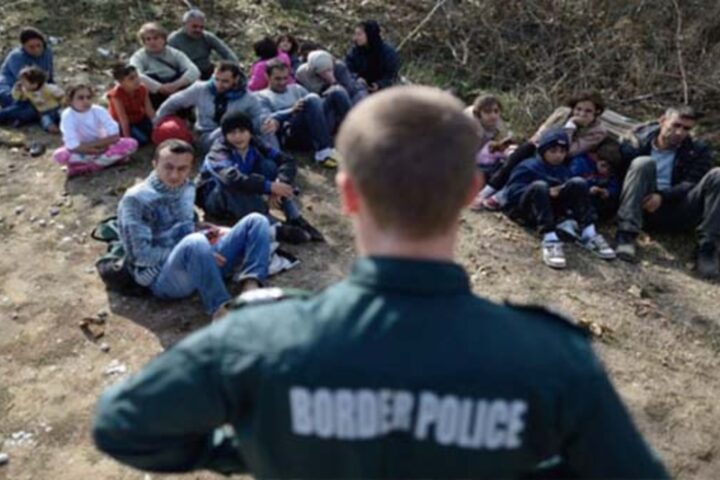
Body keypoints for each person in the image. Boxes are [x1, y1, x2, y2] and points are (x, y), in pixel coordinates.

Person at [92, 86, 669, 479]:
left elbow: (122, 427)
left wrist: (252, 449)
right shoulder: (551, 359)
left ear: (348, 195)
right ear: (469, 194)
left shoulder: (259, 340)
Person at [115, 139, 271, 318]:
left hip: (199, 257)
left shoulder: (188, 187)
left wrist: (200, 228)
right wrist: (201, 252)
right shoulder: (136, 200)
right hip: (163, 276)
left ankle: (251, 286)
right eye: (168, 167)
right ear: (154, 164)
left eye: (182, 169)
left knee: (256, 221)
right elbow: (140, 256)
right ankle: (220, 309)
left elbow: (184, 223)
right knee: (195, 242)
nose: (175, 175)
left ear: (190, 169)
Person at [615, 106, 720, 277]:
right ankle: (626, 234)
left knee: (718, 175)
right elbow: (620, 172)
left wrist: (663, 196)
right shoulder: (637, 141)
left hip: (678, 207)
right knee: (643, 163)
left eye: (686, 129)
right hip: (641, 204)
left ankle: (707, 248)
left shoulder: (697, 150)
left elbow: (691, 182)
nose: (680, 132)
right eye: (676, 125)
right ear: (662, 121)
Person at [197, 112, 324, 243]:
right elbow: (230, 178)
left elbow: (286, 160)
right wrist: (269, 186)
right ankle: (273, 227)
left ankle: (294, 217)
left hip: (246, 187)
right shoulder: (218, 151)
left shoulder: (255, 143)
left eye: (242, 131)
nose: (238, 137)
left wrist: (280, 183)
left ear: (250, 132)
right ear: (225, 135)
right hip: (216, 198)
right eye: (232, 133)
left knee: (269, 166)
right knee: (231, 186)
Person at [504, 128, 615, 268]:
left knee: (578, 182)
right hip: (528, 211)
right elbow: (512, 193)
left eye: (562, 152)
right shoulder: (528, 166)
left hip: (553, 213)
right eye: (553, 151)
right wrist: (547, 191)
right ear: (543, 150)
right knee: (540, 186)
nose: (558, 156)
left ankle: (589, 233)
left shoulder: (563, 170)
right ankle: (550, 239)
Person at [478, 91, 608, 210]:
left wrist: (571, 126)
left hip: (564, 161)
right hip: (543, 149)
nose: (581, 114)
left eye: (588, 111)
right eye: (578, 109)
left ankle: (502, 196)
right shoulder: (562, 113)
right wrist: (536, 143)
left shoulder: (598, 131)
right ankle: (489, 189)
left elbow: (570, 151)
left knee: (530, 164)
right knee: (525, 150)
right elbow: (542, 131)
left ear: (596, 112)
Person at [154, 60, 274, 152]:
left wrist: (267, 122)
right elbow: (173, 102)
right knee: (229, 126)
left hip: (238, 133)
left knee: (266, 128)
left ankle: (275, 156)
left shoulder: (248, 96)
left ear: (236, 79)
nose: (219, 84)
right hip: (207, 136)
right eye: (216, 79)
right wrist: (156, 122)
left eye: (225, 81)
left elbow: (259, 115)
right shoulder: (200, 88)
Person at [256, 59, 348, 168]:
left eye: (285, 78)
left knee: (337, 91)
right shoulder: (261, 96)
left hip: (315, 127)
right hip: (292, 134)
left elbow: (315, 106)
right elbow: (267, 120)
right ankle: (323, 153)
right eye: (278, 79)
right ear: (267, 76)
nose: (282, 82)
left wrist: (326, 98)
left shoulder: (296, 88)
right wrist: (291, 110)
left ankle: (356, 135)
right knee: (311, 98)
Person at [52, 84, 138, 177]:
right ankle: (107, 161)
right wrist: (90, 150)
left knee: (131, 143)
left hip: (105, 147)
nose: (86, 101)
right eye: (80, 98)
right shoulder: (67, 115)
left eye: (88, 97)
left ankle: (90, 167)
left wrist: (97, 146)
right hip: (82, 151)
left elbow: (115, 136)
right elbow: (71, 144)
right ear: (70, 100)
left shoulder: (98, 110)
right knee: (59, 155)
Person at [130, 22, 200, 108]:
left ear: (163, 39)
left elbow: (194, 70)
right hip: (154, 93)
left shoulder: (174, 53)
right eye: (148, 39)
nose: (152, 42)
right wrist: (159, 88)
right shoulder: (139, 56)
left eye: (155, 38)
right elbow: (136, 74)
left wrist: (176, 85)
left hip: (176, 88)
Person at [0, 27, 55, 125]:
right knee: (35, 107)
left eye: (39, 45)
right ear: (23, 47)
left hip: (36, 90)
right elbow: (27, 83)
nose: (37, 50)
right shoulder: (17, 57)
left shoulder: (47, 53)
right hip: (13, 90)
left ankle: (18, 118)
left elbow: (49, 78)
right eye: (31, 47)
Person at [168, 9, 239, 80]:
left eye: (201, 27)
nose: (198, 30)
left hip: (206, 71)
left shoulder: (207, 37)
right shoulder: (174, 40)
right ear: (184, 24)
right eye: (194, 26)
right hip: (184, 75)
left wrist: (235, 67)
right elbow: (168, 63)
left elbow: (226, 53)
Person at [0, 66, 63, 132]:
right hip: (43, 113)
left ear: (34, 84)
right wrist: (17, 90)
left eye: (24, 82)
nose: (22, 84)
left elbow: (61, 95)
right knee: (47, 122)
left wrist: (63, 102)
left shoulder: (48, 88)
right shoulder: (27, 91)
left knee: (62, 115)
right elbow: (18, 98)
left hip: (55, 109)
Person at [345, 20, 400, 92]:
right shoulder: (354, 52)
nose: (355, 38)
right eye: (355, 34)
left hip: (383, 92)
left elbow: (391, 76)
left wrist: (379, 85)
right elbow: (347, 69)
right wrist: (357, 78)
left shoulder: (388, 52)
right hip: (358, 89)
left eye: (359, 34)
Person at [107, 63, 155, 145]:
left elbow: (149, 109)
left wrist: (156, 124)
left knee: (153, 133)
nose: (136, 80)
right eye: (131, 78)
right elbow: (123, 118)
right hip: (123, 123)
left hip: (139, 118)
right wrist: (127, 140)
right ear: (121, 82)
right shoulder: (116, 95)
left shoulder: (143, 89)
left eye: (137, 76)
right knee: (142, 140)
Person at [295, 50, 367, 104]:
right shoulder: (302, 73)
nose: (327, 73)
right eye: (324, 71)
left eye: (329, 69)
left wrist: (333, 81)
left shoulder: (339, 67)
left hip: (351, 94)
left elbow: (349, 90)